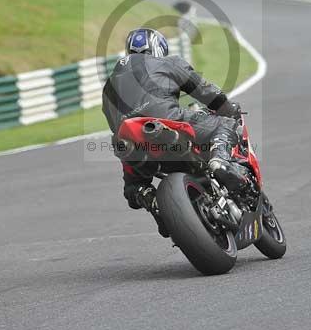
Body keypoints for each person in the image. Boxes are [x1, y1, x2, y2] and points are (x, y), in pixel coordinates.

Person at [102, 27, 247, 234]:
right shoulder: (167, 63)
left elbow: (113, 124)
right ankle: (220, 161)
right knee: (226, 125)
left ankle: (154, 204)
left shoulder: (108, 87)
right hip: (166, 121)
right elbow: (203, 90)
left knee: (134, 188)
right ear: (157, 48)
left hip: (130, 142)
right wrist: (227, 108)